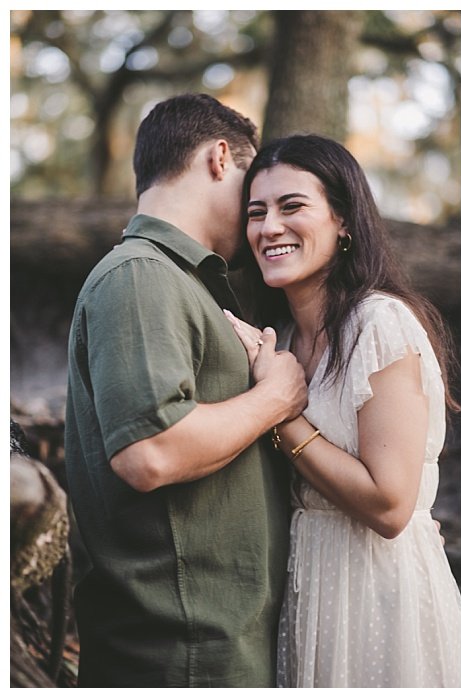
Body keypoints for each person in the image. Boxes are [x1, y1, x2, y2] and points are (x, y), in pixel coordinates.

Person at [63, 94, 307, 687]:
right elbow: (151, 452)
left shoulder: (177, 281)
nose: (258, 216)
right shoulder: (141, 276)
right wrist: (277, 397)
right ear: (220, 158)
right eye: (253, 187)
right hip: (180, 655)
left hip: (211, 647)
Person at [225, 134, 461, 687]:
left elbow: (389, 504)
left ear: (344, 221)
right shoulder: (277, 338)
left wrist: (280, 413)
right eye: (256, 213)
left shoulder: (379, 326)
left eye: (292, 207)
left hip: (379, 593)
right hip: (306, 584)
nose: (269, 228)